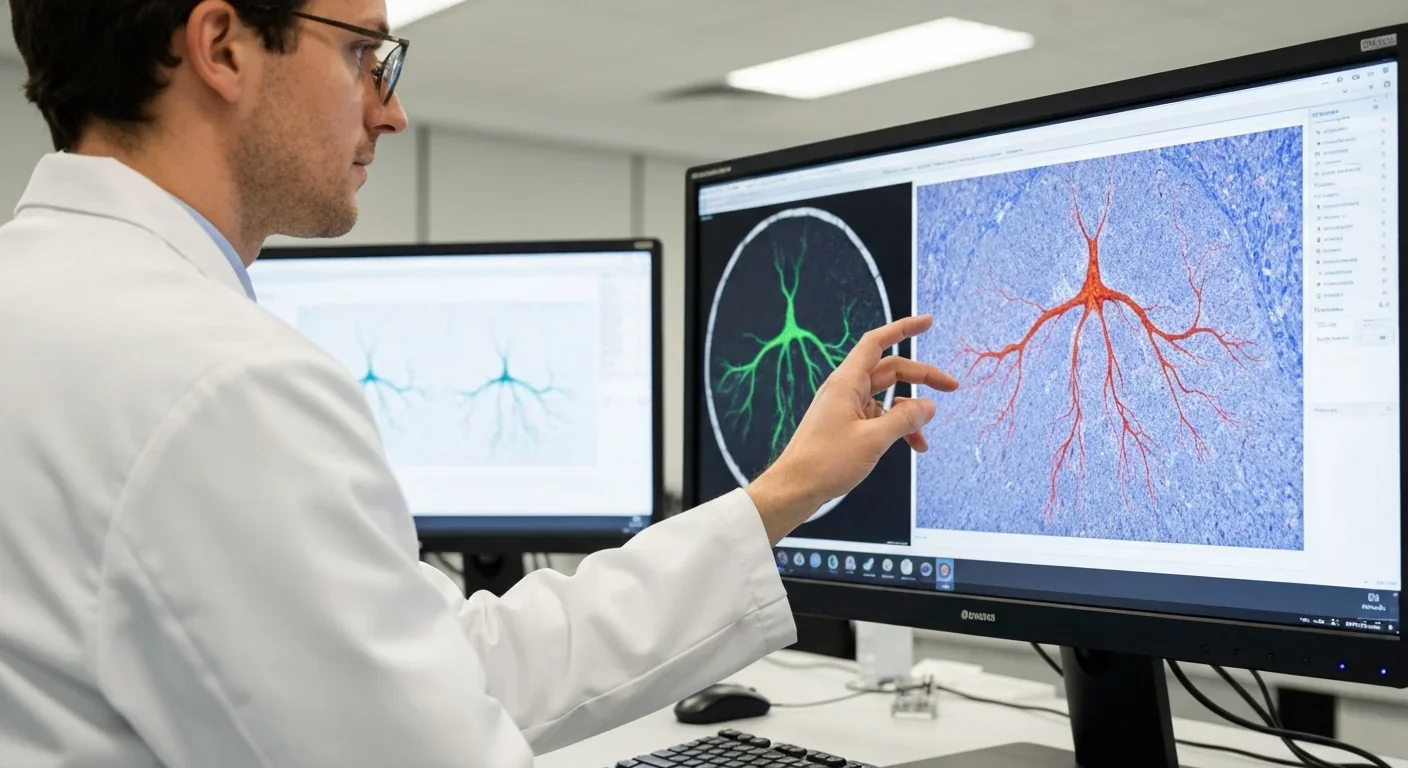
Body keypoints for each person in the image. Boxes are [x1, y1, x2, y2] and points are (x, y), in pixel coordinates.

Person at [0, 1, 960, 765]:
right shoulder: (222, 382)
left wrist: (784, 491)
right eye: (363, 55)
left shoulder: (38, 298)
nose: (391, 106)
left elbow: (435, 672)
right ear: (222, 48)